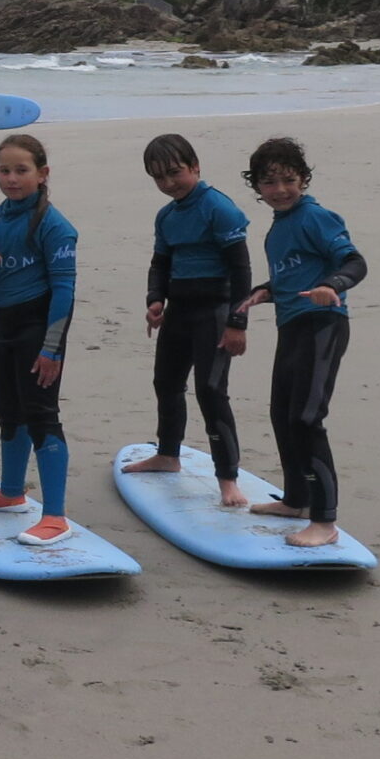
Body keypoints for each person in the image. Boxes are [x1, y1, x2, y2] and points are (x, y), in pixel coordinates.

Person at [238, 137, 366, 550]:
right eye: (269, 182)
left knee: (307, 418)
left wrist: (333, 286)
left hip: (323, 324)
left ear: (304, 179)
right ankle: (295, 500)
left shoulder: (316, 217)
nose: (279, 190)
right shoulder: (277, 231)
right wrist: (267, 291)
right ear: (256, 187)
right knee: (282, 414)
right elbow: (293, 276)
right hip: (292, 326)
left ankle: (324, 520)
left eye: (288, 180)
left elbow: (354, 262)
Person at [0, 134, 83, 546]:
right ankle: (11, 492)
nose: (12, 178)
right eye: (4, 171)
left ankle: (56, 516)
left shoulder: (54, 226)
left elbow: (64, 291)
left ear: (42, 174)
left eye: (22, 170)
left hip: (36, 332)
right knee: (8, 413)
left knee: (42, 416)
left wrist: (51, 349)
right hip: (1, 330)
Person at [121, 133, 254, 509]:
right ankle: (167, 454)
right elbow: (160, 264)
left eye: (175, 173)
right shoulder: (166, 216)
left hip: (215, 311)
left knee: (211, 392)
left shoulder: (218, 208)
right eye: (158, 178)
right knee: (166, 382)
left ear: (195, 167)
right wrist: (154, 300)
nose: (168, 183)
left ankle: (228, 479)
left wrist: (237, 322)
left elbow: (241, 270)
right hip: (180, 310)